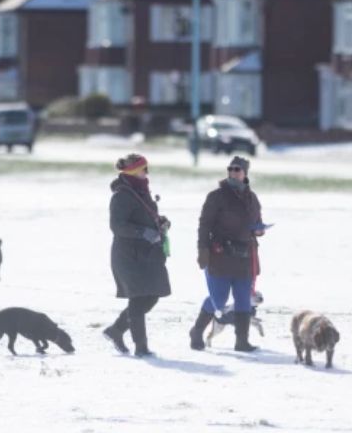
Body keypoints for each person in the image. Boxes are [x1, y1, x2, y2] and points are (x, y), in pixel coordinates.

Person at [188, 155, 266, 352]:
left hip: (245, 256)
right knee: (219, 299)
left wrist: (259, 230)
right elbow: (204, 225)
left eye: (237, 169)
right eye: (230, 169)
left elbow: (257, 221)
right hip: (220, 255)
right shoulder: (216, 196)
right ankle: (196, 331)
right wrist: (202, 249)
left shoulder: (252, 198)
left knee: (242, 298)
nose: (232, 172)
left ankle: (242, 341)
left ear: (245, 173)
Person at [102, 153, 172, 357]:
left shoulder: (141, 191)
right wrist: (142, 232)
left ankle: (115, 330)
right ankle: (141, 347)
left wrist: (160, 223)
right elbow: (117, 226)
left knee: (151, 296)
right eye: (144, 169)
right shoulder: (122, 195)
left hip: (147, 254)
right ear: (134, 171)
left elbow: (145, 216)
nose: (147, 173)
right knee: (138, 299)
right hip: (128, 256)